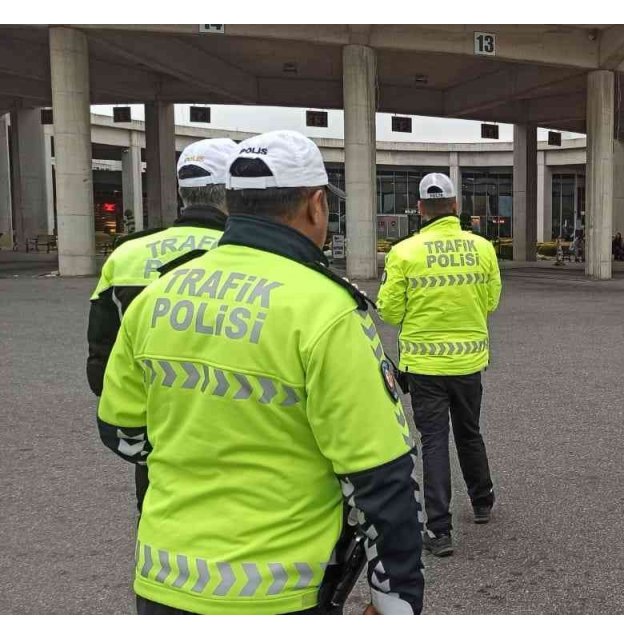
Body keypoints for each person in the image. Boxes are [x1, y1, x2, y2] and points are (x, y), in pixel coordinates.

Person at [96, 130, 423, 615]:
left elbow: (121, 433)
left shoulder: (159, 295)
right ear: (316, 206)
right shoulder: (324, 310)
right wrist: (397, 604)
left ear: (232, 204)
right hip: (280, 589)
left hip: (164, 581)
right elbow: (381, 475)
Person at [87, 138, 237, 513]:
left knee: (163, 528)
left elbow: (100, 364)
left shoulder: (126, 254)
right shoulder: (256, 254)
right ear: (233, 192)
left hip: (159, 433)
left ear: (182, 192)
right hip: (243, 433)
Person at [377, 173, 501, 558]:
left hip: (425, 366)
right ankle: (482, 502)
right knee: (469, 432)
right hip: (467, 362)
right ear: (455, 206)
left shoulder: (404, 252)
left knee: (434, 442)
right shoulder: (483, 248)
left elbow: (390, 309)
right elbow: (491, 301)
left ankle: (440, 530)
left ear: (419, 208)